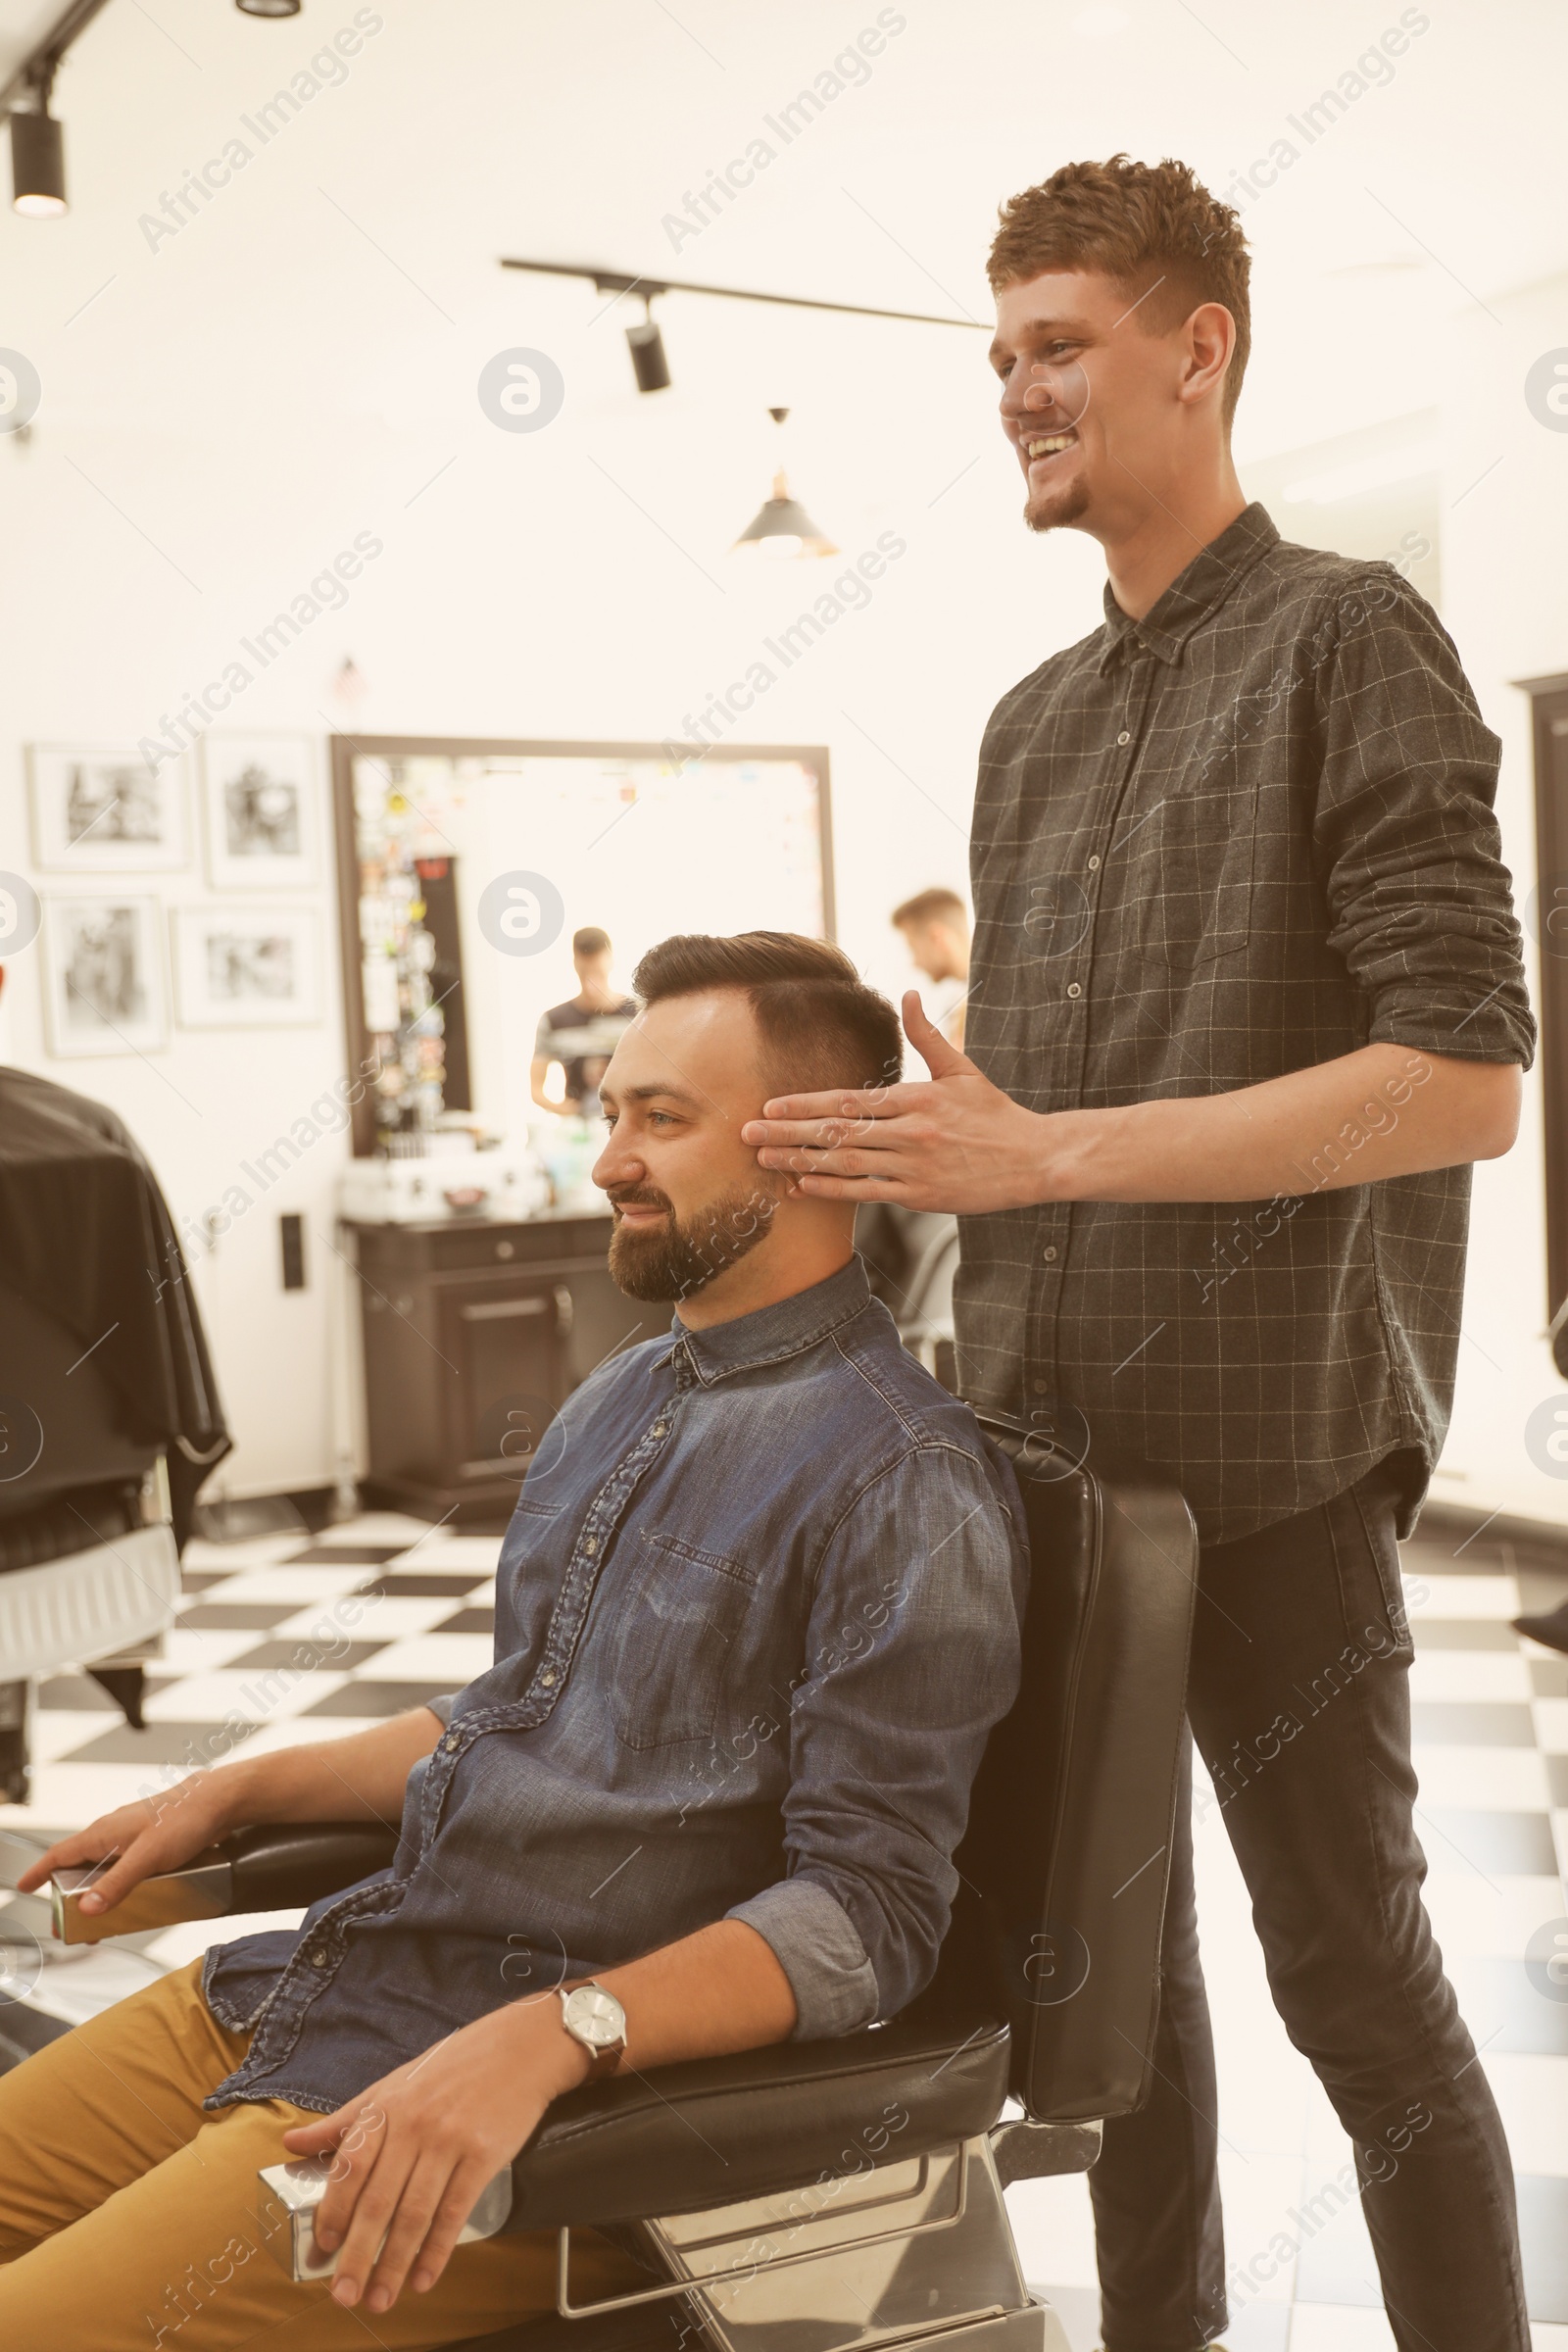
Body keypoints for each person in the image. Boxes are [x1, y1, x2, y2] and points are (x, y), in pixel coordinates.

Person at [745, 157, 1536, 2352]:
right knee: (1107, 2014)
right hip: (1042, 1474)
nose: (1014, 390)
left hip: (1270, 1473)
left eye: (1057, 346)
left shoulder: (1347, 639)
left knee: (1355, 1992)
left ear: (1197, 352)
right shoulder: (1025, 725)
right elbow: (1046, 1132)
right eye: (995, 356)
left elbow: (1462, 1073)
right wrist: (944, 1156)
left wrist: (1056, 1151)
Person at [4, 930, 1026, 2348]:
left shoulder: (899, 1480)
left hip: (519, 2128)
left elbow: (872, 1915)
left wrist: (553, 2040)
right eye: (612, 1112)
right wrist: (232, 1791)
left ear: (812, 1145)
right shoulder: (621, 1396)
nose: (610, 1158)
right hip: (338, 1982)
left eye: (659, 1119)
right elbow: (523, 1710)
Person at [529, 924, 636, 1118]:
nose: (592, 983)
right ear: (575, 964)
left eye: (598, 972)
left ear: (610, 961)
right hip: (580, 1134)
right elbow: (536, 1090)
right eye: (586, 973)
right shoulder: (554, 1020)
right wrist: (569, 1111)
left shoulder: (639, 1014)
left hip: (629, 1124)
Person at [891, 887, 970, 1049]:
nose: (915, 962)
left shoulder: (977, 1004)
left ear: (936, 937)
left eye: (913, 948)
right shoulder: (961, 1001)